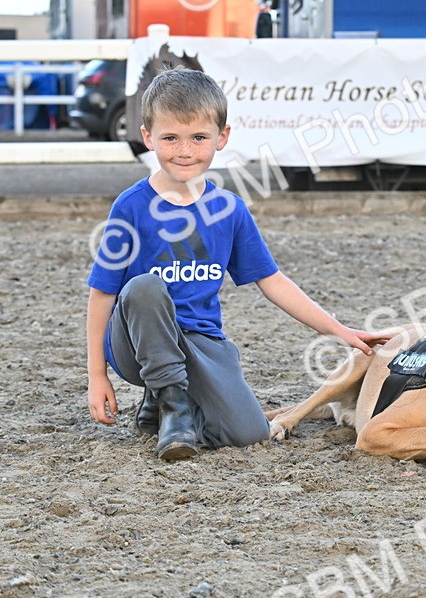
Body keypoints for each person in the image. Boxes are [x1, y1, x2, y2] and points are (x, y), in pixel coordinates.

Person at [86, 67, 386, 460]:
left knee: (248, 433)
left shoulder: (229, 209)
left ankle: (161, 402)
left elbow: (273, 281)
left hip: (198, 341)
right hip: (134, 344)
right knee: (145, 287)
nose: (184, 150)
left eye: (198, 137)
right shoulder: (130, 207)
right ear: (147, 137)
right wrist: (97, 375)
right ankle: (173, 407)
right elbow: (102, 293)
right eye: (170, 138)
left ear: (222, 137)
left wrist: (340, 330)